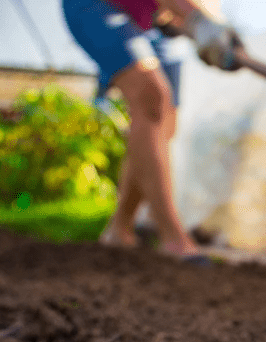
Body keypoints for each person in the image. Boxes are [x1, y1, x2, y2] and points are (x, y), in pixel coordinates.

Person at [62, 0, 242, 260]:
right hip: (99, 6)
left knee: (164, 124)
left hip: (154, 19)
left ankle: (120, 228)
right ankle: (172, 236)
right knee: (151, 95)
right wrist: (197, 21)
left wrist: (215, 30)